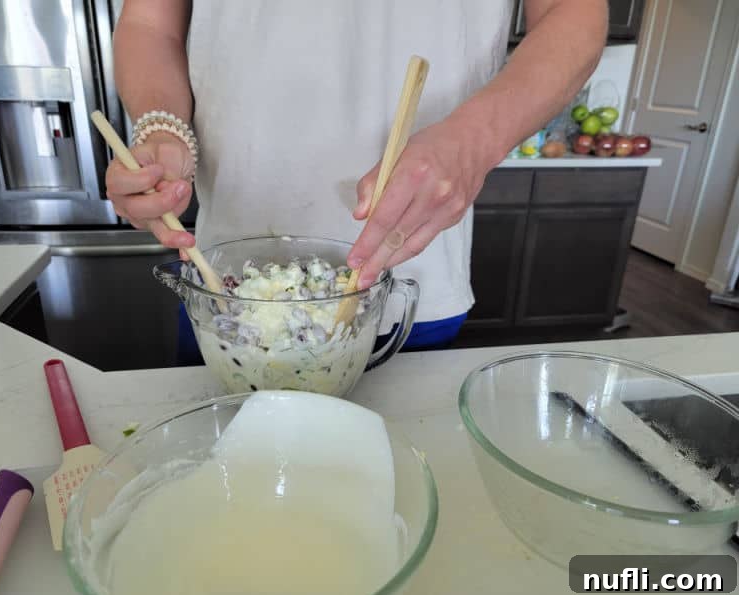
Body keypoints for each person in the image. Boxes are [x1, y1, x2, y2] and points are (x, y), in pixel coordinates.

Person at [106, 0, 608, 353]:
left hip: (413, 283)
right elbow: (152, 24)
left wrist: (474, 141)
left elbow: (576, 12)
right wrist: (162, 126)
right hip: (227, 293)